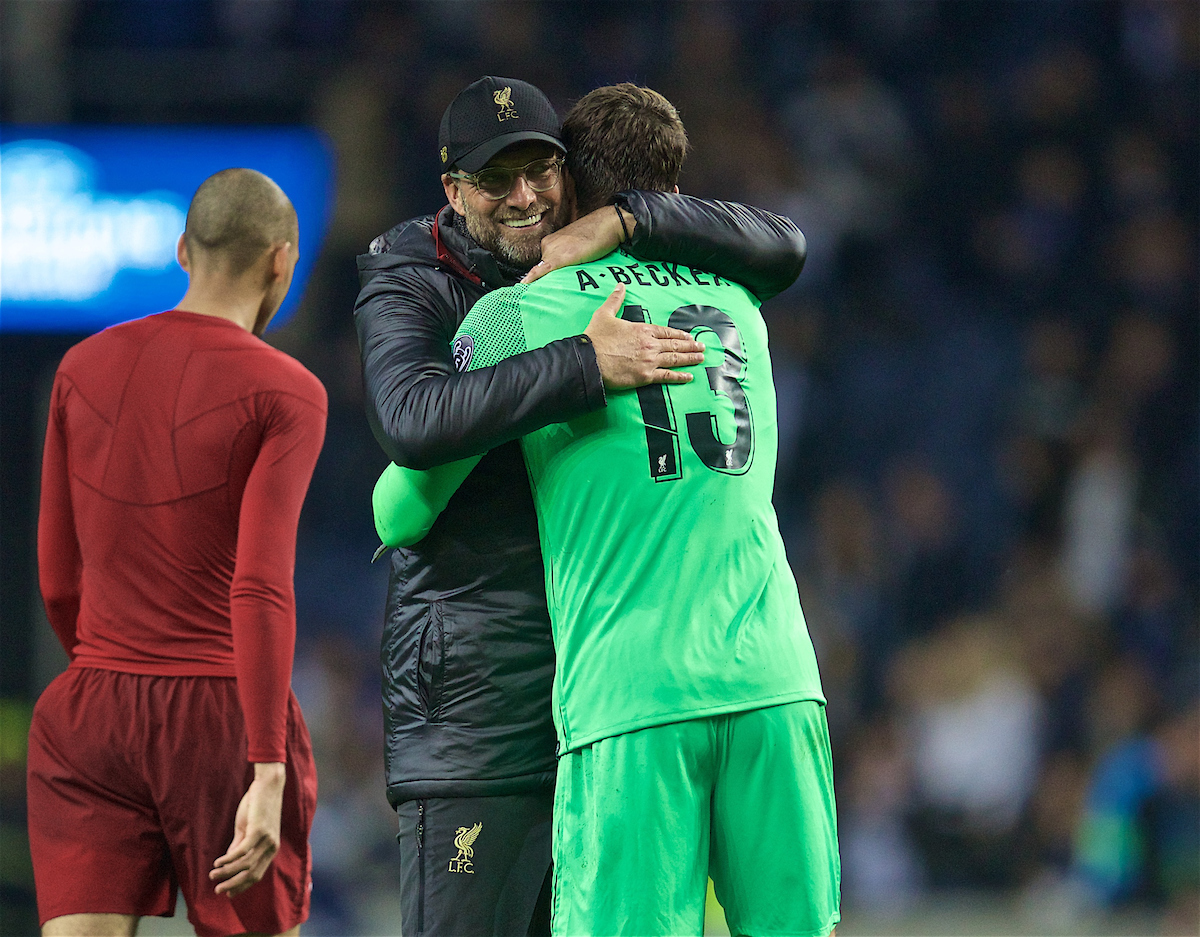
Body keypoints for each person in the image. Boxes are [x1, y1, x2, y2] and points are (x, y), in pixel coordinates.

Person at [374, 84, 839, 937]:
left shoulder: (520, 311)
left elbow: (400, 508)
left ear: (572, 189)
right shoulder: (743, 300)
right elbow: (783, 245)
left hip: (633, 694)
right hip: (778, 680)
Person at [28, 168, 327, 937]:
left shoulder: (79, 368)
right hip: (219, 715)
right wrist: (266, 765)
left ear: (181, 252)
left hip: (88, 706)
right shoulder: (286, 390)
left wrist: (111, 670)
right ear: (281, 261)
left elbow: (59, 579)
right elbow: (260, 584)